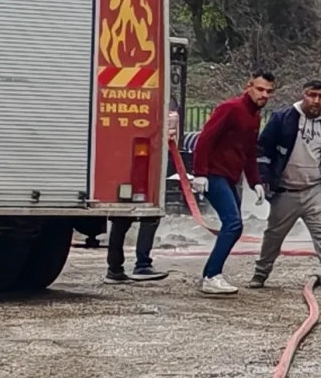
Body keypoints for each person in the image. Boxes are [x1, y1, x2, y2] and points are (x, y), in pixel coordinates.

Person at [251, 80, 321, 290]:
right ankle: (260, 274)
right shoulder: (282, 118)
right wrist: (263, 178)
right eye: (312, 95)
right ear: (303, 95)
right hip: (285, 190)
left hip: (315, 189)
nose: (316, 100)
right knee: (274, 235)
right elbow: (263, 150)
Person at [192, 71, 274, 296]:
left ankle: (211, 274)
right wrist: (200, 173)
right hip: (214, 174)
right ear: (249, 86)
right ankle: (211, 276)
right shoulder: (230, 108)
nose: (264, 95)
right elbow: (205, 139)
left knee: (234, 227)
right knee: (233, 224)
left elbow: (248, 152)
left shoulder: (254, 116)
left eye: (269, 91)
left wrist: (256, 182)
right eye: (260, 89)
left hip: (229, 177)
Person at [105, 111, 179, 284]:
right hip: (141, 168)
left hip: (116, 167)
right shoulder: (146, 116)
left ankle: (114, 269)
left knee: (120, 218)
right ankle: (142, 265)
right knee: (151, 215)